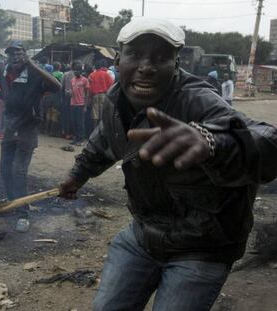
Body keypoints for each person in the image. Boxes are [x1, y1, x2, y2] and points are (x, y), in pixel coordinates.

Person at [59, 18, 277, 310]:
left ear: (176, 64)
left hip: (203, 246)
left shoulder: (199, 100)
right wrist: (76, 176)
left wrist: (213, 142)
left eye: (161, 58)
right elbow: (103, 140)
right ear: (118, 58)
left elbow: (267, 142)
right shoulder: (115, 99)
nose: (146, 66)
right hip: (144, 233)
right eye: (135, 55)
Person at [0, 41, 61, 224]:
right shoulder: (5, 72)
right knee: (5, 169)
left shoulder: (34, 73)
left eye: (19, 53)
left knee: (19, 171)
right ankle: (11, 203)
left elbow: (57, 87)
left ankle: (23, 214)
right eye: (11, 54)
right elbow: (7, 97)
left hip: (27, 127)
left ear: (26, 55)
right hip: (10, 126)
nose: (15, 57)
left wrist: (32, 65)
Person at [88, 59, 114, 128]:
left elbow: (90, 87)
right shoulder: (106, 74)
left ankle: (94, 129)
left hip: (95, 95)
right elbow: (111, 85)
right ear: (101, 67)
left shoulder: (91, 75)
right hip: (104, 95)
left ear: (95, 67)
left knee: (95, 113)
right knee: (102, 113)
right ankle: (101, 129)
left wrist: (89, 97)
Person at [70, 62, 89, 146]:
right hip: (73, 104)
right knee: (74, 122)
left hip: (81, 104)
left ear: (81, 72)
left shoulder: (85, 80)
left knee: (80, 123)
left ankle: (80, 140)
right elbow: (71, 90)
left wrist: (85, 106)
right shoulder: (72, 80)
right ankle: (75, 139)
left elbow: (87, 93)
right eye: (75, 71)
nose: (76, 72)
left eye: (77, 71)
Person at [61, 64, 75, 140]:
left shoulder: (65, 74)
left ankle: (66, 133)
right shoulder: (82, 75)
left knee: (67, 115)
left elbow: (61, 86)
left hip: (67, 97)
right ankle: (73, 134)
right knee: (74, 115)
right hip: (77, 98)